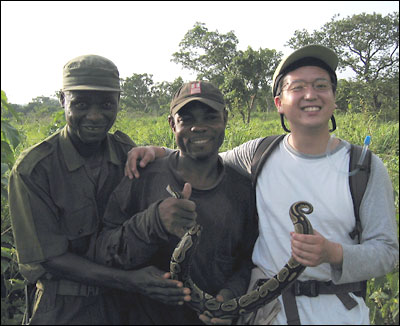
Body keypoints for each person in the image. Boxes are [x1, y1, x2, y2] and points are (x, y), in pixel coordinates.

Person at [125, 45, 399, 325]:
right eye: (298, 87)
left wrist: (334, 253)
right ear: (279, 102)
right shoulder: (259, 154)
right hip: (266, 314)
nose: (310, 95)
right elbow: (202, 155)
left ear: (333, 98)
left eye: (321, 85)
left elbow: (388, 253)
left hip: (339, 314)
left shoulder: (363, 166)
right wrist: (156, 150)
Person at [8, 54, 190, 325]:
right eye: (80, 103)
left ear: (118, 102)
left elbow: (191, 160)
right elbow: (51, 259)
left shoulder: (129, 156)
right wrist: (130, 281)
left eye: (106, 104)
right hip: (64, 306)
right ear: (63, 100)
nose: (94, 116)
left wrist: (159, 151)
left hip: (125, 305)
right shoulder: (34, 169)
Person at [95, 80, 258, 325]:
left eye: (210, 117)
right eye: (187, 119)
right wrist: (152, 223)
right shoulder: (141, 176)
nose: (198, 128)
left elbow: (249, 260)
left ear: (225, 118)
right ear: (172, 124)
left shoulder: (243, 189)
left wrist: (229, 296)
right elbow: (101, 250)